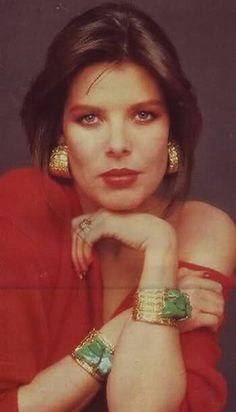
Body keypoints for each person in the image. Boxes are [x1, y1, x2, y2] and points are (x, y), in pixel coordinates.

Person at [0, 2, 235, 411]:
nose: (118, 145)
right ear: (60, 135)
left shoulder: (201, 229)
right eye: (90, 118)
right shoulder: (22, 207)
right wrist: (136, 319)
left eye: (144, 115)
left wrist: (160, 244)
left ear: (172, 130)